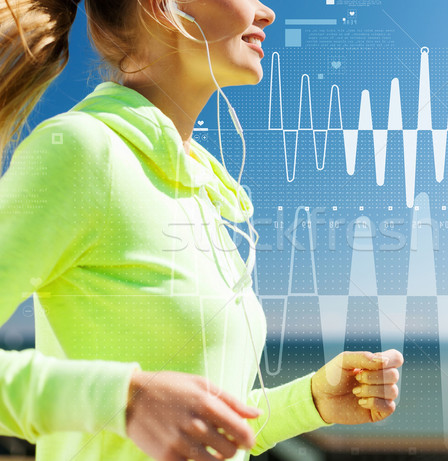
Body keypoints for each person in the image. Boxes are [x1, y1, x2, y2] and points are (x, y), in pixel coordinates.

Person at [0, 1, 404, 460]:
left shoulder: (196, 185)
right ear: (164, 7)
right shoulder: (84, 153)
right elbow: (142, 404)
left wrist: (312, 399)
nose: (267, 12)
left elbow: (199, 418)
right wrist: (124, 399)